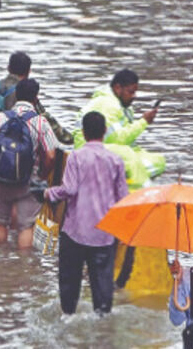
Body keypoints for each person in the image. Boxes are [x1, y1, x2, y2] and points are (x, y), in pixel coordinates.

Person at [45, 111, 130, 315]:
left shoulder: (75, 157)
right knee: (102, 288)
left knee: (69, 284)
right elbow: (123, 199)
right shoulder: (115, 160)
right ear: (104, 132)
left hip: (75, 231)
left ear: (83, 132)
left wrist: (49, 192)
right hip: (104, 233)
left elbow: (70, 189)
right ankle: (102, 332)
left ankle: (68, 318)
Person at [0, 77, 61, 250]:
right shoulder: (40, 122)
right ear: (36, 98)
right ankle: (22, 267)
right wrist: (41, 175)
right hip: (28, 180)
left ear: (16, 95)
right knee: (26, 226)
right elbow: (51, 155)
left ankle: (0, 261)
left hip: (0, 179)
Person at [74, 67, 165, 189]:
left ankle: (127, 184)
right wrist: (143, 122)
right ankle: (132, 193)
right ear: (117, 88)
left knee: (158, 160)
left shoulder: (118, 105)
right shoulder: (109, 105)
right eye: (131, 92)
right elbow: (115, 139)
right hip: (90, 151)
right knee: (132, 160)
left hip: (101, 149)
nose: (134, 96)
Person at [0, 51, 69, 143]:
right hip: (12, 147)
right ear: (29, 71)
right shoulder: (26, 91)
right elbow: (47, 122)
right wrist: (69, 138)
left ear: (8, 68)